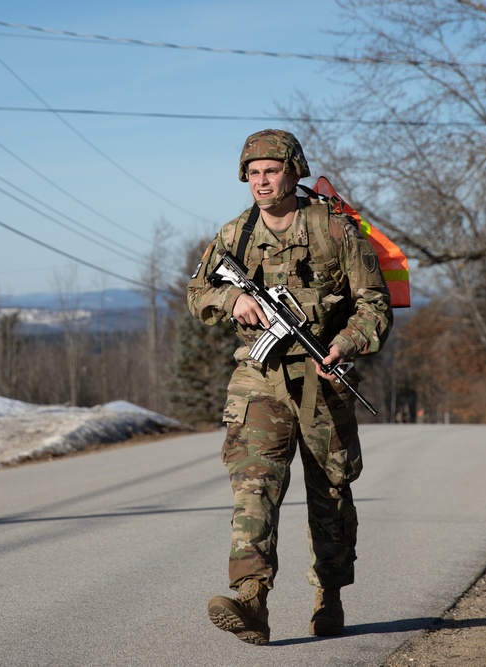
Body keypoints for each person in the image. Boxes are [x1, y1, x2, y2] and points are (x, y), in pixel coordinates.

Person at [186, 129, 393, 644]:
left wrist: (345, 342)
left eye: (271, 171)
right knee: (254, 485)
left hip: (323, 377)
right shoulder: (234, 235)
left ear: (293, 171)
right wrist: (231, 302)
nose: (261, 181)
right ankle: (251, 597)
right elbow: (197, 292)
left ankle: (330, 593)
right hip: (260, 380)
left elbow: (375, 305)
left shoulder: (335, 230)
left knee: (330, 493)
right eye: (253, 174)